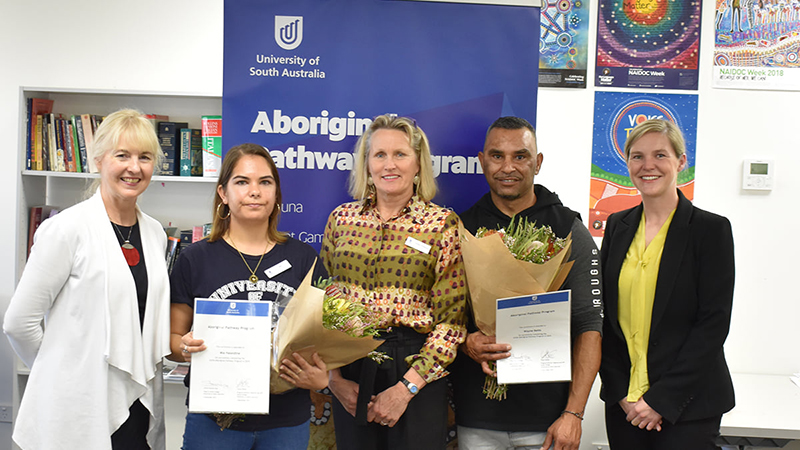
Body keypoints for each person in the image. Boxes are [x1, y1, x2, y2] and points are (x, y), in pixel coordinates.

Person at [3, 109, 170, 450]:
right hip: (78, 406)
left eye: (144, 157)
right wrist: (62, 373)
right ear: (98, 160)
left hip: (136, 401)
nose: (134, 168)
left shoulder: (154, 233)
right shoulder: (66, 228)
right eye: (121, 155)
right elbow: (19, 323)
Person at [450, 116, 603, 450]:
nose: (508, 167)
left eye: (520, 156)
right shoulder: (460, 228)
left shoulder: (569, 230)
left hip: (548, 421)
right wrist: (466, 342)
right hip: (477, 418)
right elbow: (442, 316)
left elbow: (590, 326)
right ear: (481, 161)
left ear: (538, 163)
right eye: (497, 156)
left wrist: (573, 415)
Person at [321, 114, 468, 449]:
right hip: (351, 364)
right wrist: (334, 379)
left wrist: (406, 389)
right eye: (380, 155)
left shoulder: (441, 225)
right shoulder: (341, 220)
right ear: (367, 165)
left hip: (415, 367)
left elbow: (452, 323)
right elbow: (321, 303)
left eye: (400, 154)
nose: (390, 164)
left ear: (418, 164)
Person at [169, 143, 328, 450]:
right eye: (242, 182)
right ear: (223, 194)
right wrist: (183, 346)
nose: (254, 191)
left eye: (265, 182)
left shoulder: (304, 259)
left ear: (276, 194)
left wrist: (323, 379)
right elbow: (172, 341)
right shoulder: (195, 258)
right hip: (213, 421)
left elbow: (323, 340)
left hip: (286, 420)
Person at [599, 119, 735, 449]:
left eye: (660, 155)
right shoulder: (617, 226)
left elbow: (712, 325)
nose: (648, 166)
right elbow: (603, 315)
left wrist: (661, 400)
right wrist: (620, 392)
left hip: (687, 408)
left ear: (681, 161)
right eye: (637, 156)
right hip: (625, 407)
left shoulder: (709, 230)